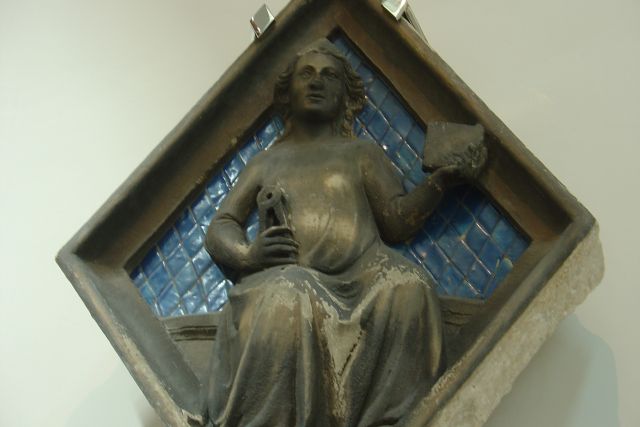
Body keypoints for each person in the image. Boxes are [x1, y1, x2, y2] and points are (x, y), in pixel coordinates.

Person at [204, 39, 463, 427]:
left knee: (409, 286)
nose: (316, 82)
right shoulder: (267, 162)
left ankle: (392, 419)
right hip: (290, 274)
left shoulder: (361, 153)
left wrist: (440, 182)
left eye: (329, 76)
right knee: (288, 295)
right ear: (288, 91)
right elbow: (221, 226)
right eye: (306, 74)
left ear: (346, 94)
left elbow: (396, 220)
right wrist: (248, 254)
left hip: (363, 275)